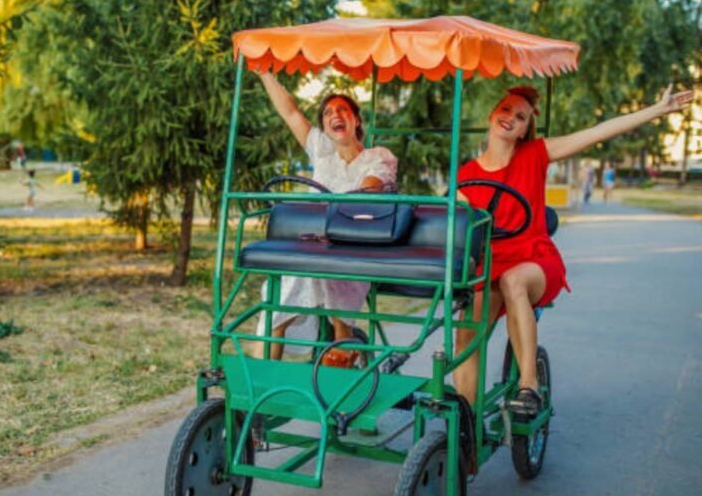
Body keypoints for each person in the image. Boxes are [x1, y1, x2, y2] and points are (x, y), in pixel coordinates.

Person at [455, 84, 693, 416]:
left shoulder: (536, 153)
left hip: (533, 258)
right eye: (506, 110)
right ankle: (466, 424)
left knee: (513, 281)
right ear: (492, 114)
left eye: (520, 117)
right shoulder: (466, 174)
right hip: (491, 264)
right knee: (465, 335)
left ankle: (528, 387)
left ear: (525, 129)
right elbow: (461, 232)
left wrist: (657, 109)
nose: (510, 118)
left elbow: (597, 133)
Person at [255, 72, 398, 367]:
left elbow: (368, 191)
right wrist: (265, 74)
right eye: (329, 113)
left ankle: (341, 346)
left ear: (356, 120)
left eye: (343, 109)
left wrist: (337, 210)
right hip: (315, 246)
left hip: (356, 246)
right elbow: (291, 113)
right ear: (324, 128)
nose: (336, 114)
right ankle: (262, 378)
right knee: (283, 294)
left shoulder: (377, 157)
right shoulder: (322, 153)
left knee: (327, 274)